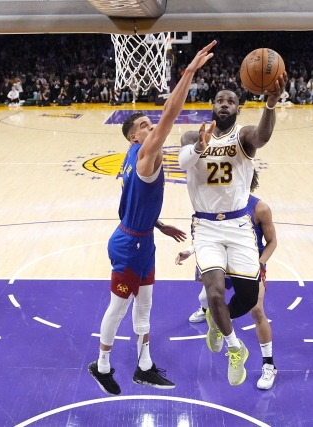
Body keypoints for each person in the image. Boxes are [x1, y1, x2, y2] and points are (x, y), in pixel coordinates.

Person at [88, 40, 217, 395]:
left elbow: (129, 199)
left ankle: (144, 366)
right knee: (118, 307)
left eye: (150, 124)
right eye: (146, 124)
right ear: (135, 136)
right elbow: (171, 114)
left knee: (145, 306)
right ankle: (101, 366)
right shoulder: (146, 154)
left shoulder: (132, 154)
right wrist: (188, 72)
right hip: (130, 245)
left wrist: (157, 223)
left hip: (142, 237)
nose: (152, 126)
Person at [178, 71, 287, 386]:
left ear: (238, 109)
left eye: (231, 101)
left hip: (240, 225)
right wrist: (200, 147)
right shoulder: (191, 136)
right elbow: (184, 162)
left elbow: (263, 137)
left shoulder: (244, 137)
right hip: (207, 226)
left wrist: (270, 104)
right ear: (212, 105)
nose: (224, 104)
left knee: (250, 297)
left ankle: (217, 319)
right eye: (220, 100)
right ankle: (235, 347)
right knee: (213, 291)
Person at [176, 171, 278, 390]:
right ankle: (210, 316)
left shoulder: (259, 208)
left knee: (257, 310)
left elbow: (271, 242)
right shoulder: (218, 205)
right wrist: (189, 250)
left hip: (249, 264)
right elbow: (209, 234)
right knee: (206, 297)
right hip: (223, 262)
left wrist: (259, 264)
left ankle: (269, 364)